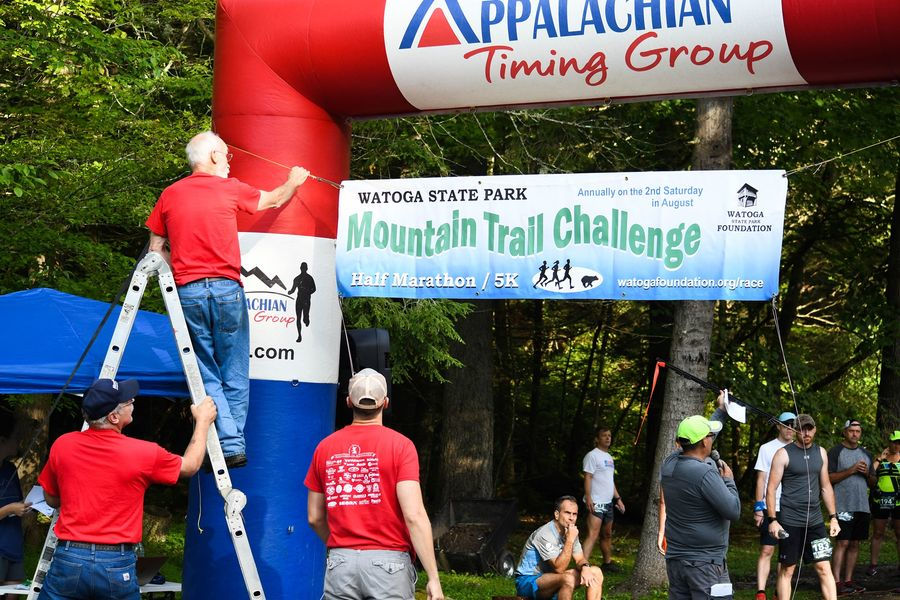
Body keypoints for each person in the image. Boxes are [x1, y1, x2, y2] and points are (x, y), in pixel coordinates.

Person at [146, 130, 310, 467]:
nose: (228, 161)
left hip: (188, 291)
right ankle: (233, 444)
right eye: (226, 155)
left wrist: (171, 284)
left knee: (205, 372)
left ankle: (229, 442)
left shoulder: (170, 194)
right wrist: (294, 179)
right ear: (215, 156)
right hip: (226, 288)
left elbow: (155, 249)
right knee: (234, 371)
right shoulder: (229, 188)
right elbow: (274, 199)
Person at [36, 378, 217, 600]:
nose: (133, 403)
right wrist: (203, 422)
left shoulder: (63, 444)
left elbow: (52, 499)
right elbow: (190, 466)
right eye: (129, 401)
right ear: (113, 417)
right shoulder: (144, 453)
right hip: (116, 561)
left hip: (70, 556)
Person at [305, 368, 443, 600]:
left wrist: (341, 548)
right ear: (385, 403)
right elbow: (414, 515)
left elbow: (314, 517)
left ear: (349, 402)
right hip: (389, 566)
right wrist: (434, 578)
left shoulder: (325, 448)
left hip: (341, 564)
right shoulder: (401, 446)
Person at [660, 413, 740, 600]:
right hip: (706, 565)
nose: (711, 439)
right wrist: (729, 481)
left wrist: (721, 411)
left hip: (677, 561)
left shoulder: (668, 464)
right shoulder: (705, 473)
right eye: (710, 436)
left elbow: (694, 443)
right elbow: (733, 511)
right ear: (704, 442)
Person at [766, 414, 840, 600]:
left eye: (810, 428)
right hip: (790, 521)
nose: (806, 432)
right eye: (802, 428)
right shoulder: (783, 453)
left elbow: (825, 486)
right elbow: (771, 488)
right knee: (788, 569)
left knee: (824, 567)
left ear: (814, 429)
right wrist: (773, 520)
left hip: (815, 522)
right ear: (795, 429)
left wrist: (833, 517)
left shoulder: (821, 452)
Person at [514, 495, 603, 600]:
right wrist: (569, 539)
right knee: (568, 579)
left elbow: (580, 559)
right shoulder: (545, 534)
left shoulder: (571, 531)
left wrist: (585, 567)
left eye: (574, 514)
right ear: (557, 514)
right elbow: (559, 569)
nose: (571, 518)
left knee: (595, 572)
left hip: (552, 577)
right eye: (567, 513)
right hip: (528, 581)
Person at [751, 411, 796, 600]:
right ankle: (761, 593)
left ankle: (780, 591)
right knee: (767, 549)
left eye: (793, 425)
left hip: (792, 508)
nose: (790, 428)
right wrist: (758, 507)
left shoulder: (800, 449)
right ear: (778, 426)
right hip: (771, 505)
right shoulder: (767, 448)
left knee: (786, 554)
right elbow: (761, 479)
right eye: (786, 424)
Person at [827, 419, 876, 594]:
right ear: (844, 432)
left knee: (855, 544)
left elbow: (873, 483)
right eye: (851, 431)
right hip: (842, 505)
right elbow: (829, 479)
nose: (855, 434)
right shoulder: (835, 452)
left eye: (858, 431)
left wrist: (866, 474)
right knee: (842, 542)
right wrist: (852, 470)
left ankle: (848, 580)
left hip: (862, 506)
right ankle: (835, 582)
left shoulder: (866, 454)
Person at [582, 426, 625, 572]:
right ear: (597, 439)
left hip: (608, 503)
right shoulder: (592, 455)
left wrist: (618, 499)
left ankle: (607, 564)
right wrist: (588, 498)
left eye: (609, 436)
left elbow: (609, 481)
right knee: (593, 534)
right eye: (604, 435)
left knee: (606, 534)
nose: (608, 438)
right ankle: (582, 567)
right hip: (596, 502)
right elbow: (588, 477)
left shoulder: (609, 457)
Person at [0, 405, 30, 600]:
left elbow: (18, 502)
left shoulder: (10, 468)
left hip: (14, 547)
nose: (19, 442)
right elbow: (11, 507)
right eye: (15, 438)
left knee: (13, 596)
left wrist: (26, 507)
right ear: (2, 440)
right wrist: (10, 508)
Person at [867, 430, 900, 576]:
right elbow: (869, 475)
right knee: (878, 533)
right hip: (881, 501)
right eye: (895, 442)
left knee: (899, 533)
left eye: (899, 443)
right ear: (889, 442)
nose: (897, 445)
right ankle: (873, 565)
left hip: (898, 502)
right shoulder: (881, 459)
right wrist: (880, 459)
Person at [288, 261, 316, 342]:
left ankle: (306, 319)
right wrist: (290, 292)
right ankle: (299, 335)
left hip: (306, 300)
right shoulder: (296, 279)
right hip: (299, 300)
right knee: (298, 318)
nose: (303, 269)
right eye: (302, 268)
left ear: (306, 269)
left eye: (304, 268)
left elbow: (314, 289)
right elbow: (293, 289)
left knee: (305, 317)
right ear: (301, 268)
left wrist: (307, 292)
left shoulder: (309, 278)